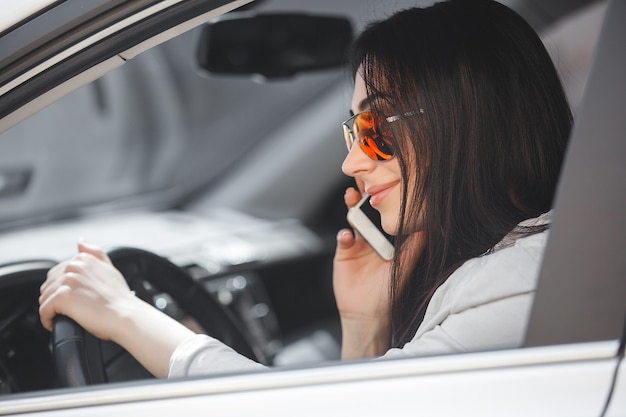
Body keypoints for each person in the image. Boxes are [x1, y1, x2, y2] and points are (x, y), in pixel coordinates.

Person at [39, 0, 572, 378]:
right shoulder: (535, 261)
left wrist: (125, 314)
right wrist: (366, 325)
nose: (349, 162)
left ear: (468, 125)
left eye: (376, 131)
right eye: (353, 132)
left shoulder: (523, 278)